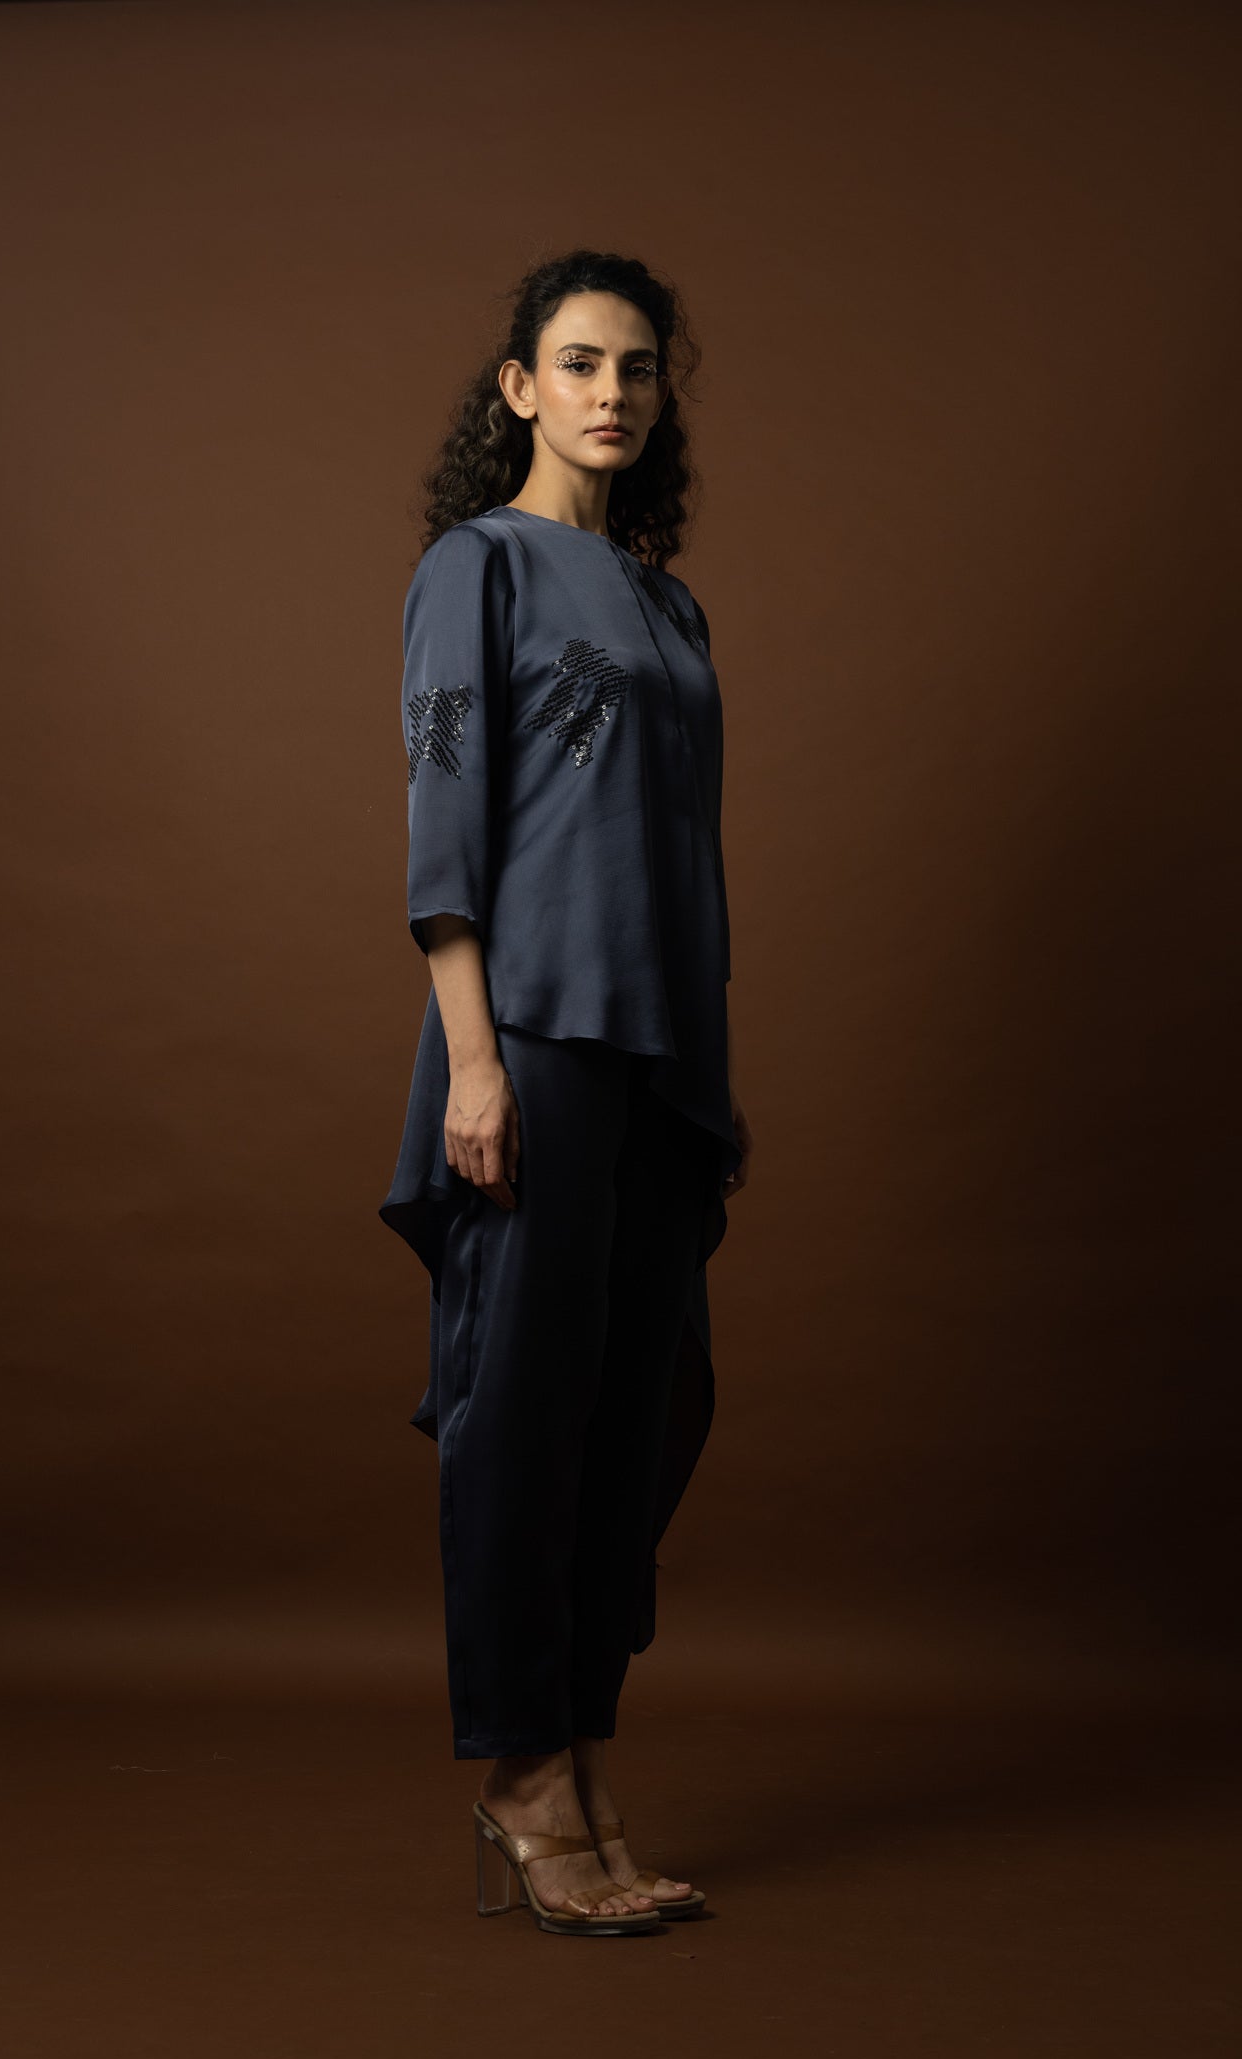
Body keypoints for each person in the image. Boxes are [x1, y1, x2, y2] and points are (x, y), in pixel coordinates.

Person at [378, 248, 753, 1936]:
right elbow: (446, 822)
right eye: (582, 363)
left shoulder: (669, 607)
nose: (614, 392)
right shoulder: (477, 568)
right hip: (528, 1037)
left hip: (661, 1053)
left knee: (636, 1405)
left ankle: (586, 1754)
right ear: (520, 389)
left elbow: (680, 848)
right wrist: (473, 1061)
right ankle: (523, 1775)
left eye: (640, 368)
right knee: (525, 1409)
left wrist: (703, 1064)